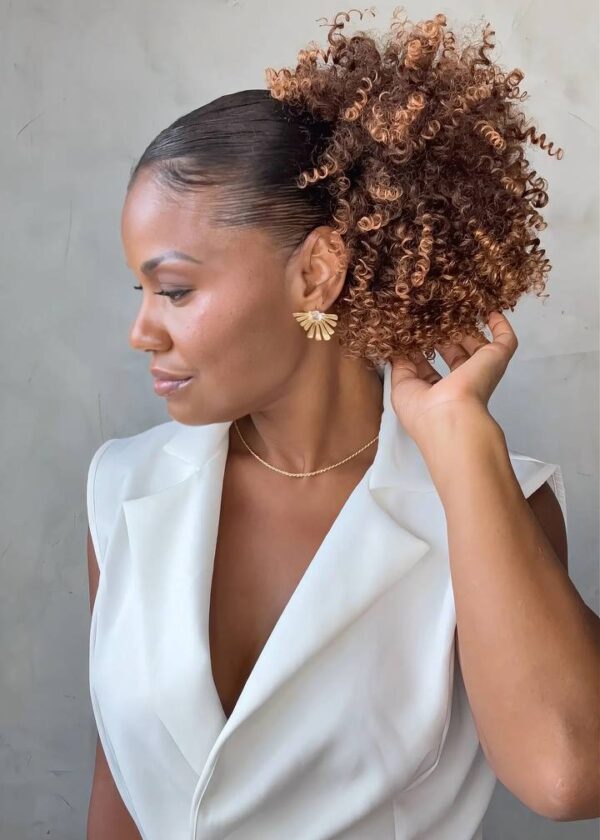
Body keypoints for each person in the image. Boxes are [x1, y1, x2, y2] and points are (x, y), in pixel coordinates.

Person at [86, 9, 599, 839]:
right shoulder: (120, 489)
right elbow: (120, 792)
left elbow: (568, 776)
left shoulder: (496, 504)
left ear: (317, 273)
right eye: (139, 291)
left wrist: (461, 439)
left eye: (174, 290)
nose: (141, 331)